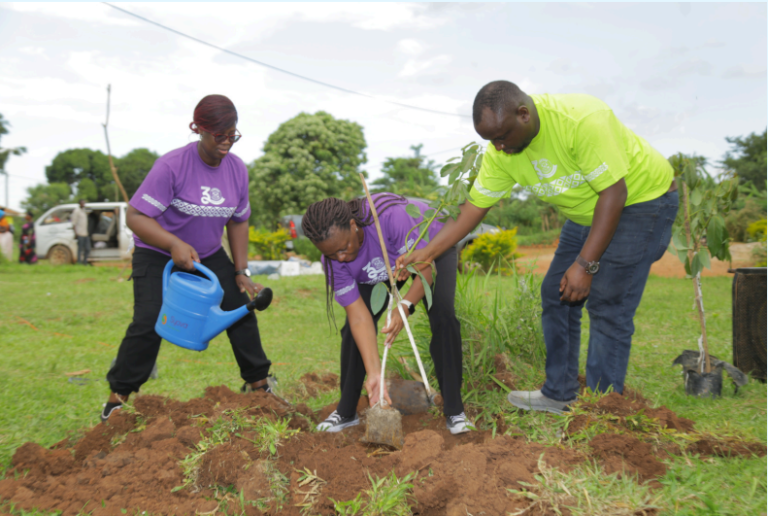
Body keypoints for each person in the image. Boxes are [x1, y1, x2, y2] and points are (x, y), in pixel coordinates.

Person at [397, 81, 679, 413]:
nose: (499, 148)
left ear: (524, 114)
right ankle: (559, 393)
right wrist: (427, 253)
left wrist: (585, 265)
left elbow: (614, 193)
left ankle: (605, 410)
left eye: (502, 137)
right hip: (588, 212)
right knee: (557, 293)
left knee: (608, 306)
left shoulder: (582, 121)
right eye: (491, 141)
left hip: (641, 202)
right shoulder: (501, 152)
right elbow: (473, 209)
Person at [102, 94, 273, 422]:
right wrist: (172, 243)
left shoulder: (237, 170)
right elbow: (135, 216)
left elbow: (239, 220)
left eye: (232, 135)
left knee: (240, 311)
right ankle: (117, 399)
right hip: (158, 255)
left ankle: (260, 387)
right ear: (198, 129)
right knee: (150, 319)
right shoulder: (171, 166)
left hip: (208, 254)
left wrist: (241, 270)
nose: (226, 144)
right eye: (218, 136)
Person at [301, 193, 473, 434]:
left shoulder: (393, 220)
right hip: (379, 267)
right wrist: (374, 375)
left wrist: (405, 307)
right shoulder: (334, 262)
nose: (340, 257)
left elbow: (425, 270)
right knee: (352, 330)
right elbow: (359, 316)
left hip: (432, 247)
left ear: (353, 225)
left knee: (442, 315)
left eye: (343, 248)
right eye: (331, 254)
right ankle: (346, 411)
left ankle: (455, 412)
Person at [71, 199, 90, 265]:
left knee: (87, 249)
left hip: (85, 233)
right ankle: (79, 263)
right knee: (80, 249)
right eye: (82, 203)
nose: (83, 204)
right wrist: (75, 233)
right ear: (79, 204)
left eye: (84, 203)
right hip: (80, 233)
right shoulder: (76, 211)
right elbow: (74, 224)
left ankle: (85, 262)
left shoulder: (84, 211)